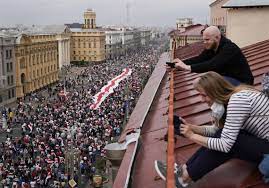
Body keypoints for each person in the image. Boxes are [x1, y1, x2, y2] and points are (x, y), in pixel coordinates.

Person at [155, 71, 269, 187]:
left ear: (215, 91)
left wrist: (192, 136)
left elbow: (225, 145)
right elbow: (215, 131)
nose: (201, 100)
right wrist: (191, 128)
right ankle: (184, 169)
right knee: (221, 134)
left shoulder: (238, 101)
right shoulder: (234, 97)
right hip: (263, 142)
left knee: (232, 143)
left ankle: (184, 178)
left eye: (204, 95)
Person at [171, 26, 254, 86]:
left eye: (207, 40)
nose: (204, 42)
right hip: (229, 80)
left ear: (217, 38)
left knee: (211, 82)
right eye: (203, 40)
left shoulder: (229, 48)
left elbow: (213, 64)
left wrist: (187, 67)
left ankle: (221, 110)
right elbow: (200, 59)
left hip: (243, 84)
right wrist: (179, 64)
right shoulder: (212, 47)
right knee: (206, 81)